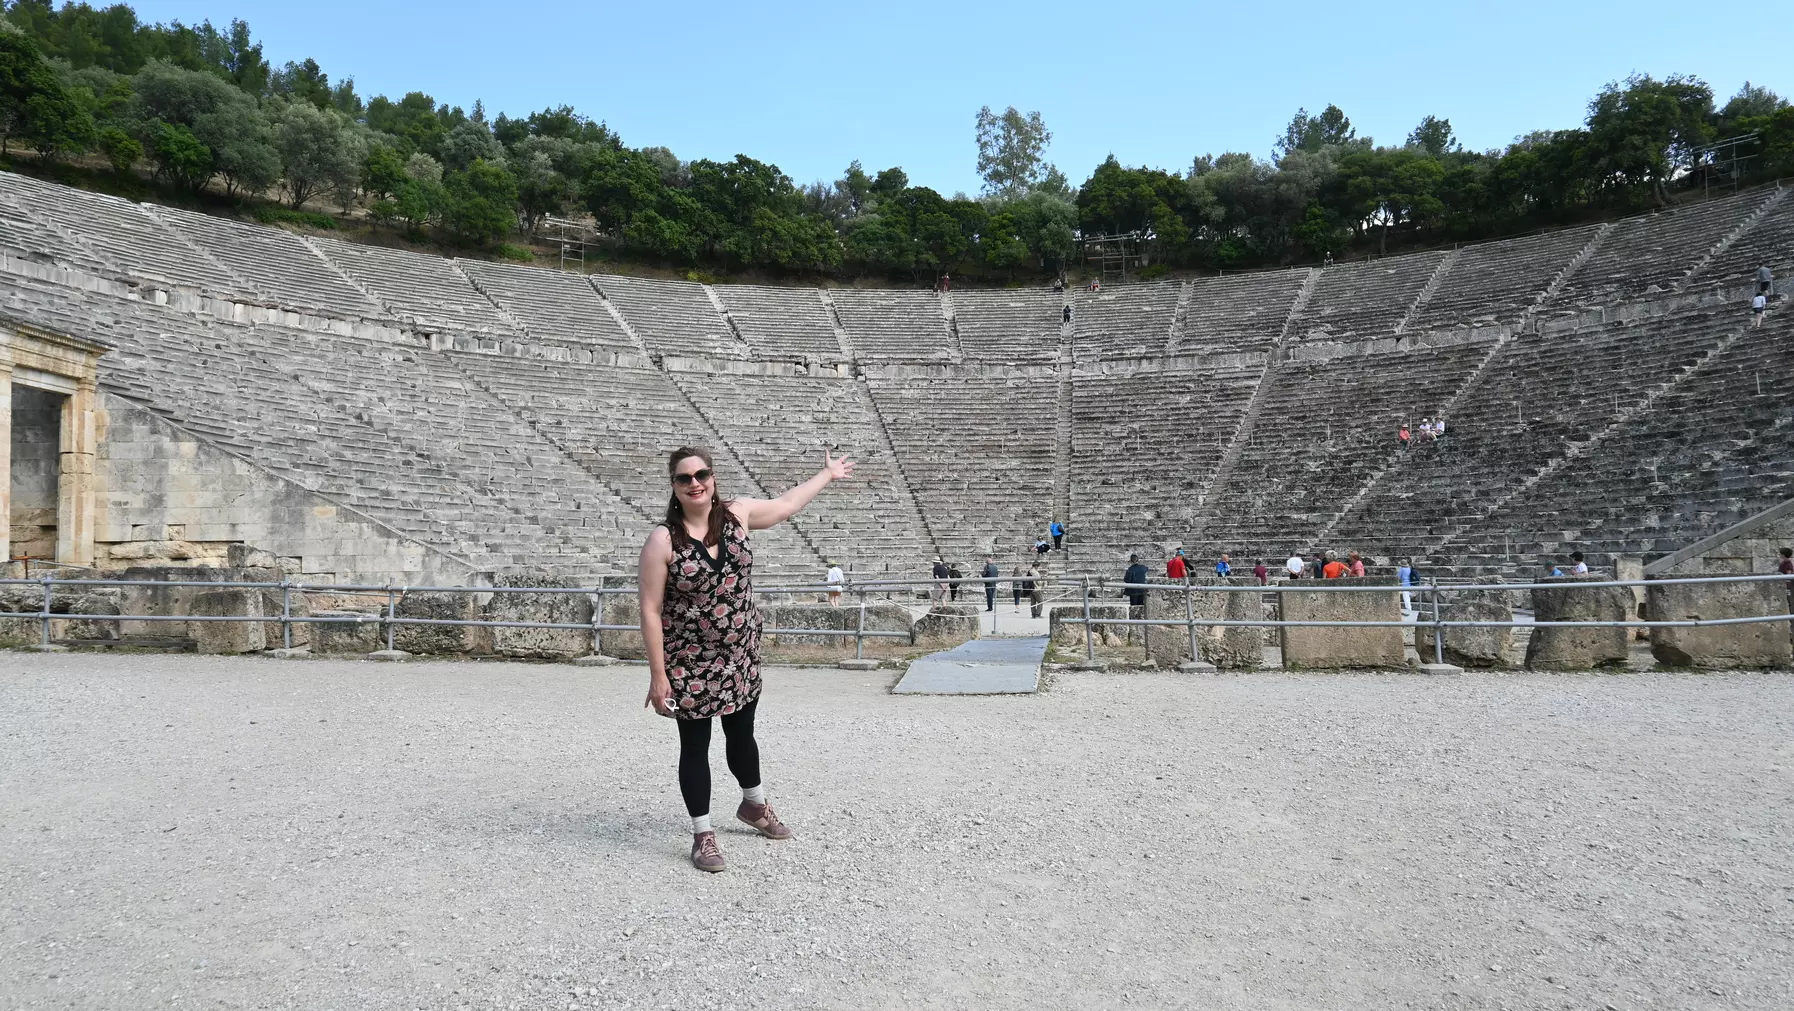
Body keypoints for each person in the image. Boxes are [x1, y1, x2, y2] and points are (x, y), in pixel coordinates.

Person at [640, 445, 855, 873]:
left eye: (702, 474)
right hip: (691, 663)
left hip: (740, 654)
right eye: (685, 479)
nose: (695, 483)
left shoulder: (737, 515)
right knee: (695, 747)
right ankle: (703, 835)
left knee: (743, 736)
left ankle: (753, 806)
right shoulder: (663, 539)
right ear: (674, 488)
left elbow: (786, 505)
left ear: (713, 477)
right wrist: (658, 675)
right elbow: (649, 609)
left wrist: (826, 475)